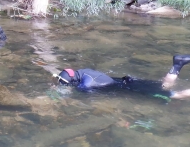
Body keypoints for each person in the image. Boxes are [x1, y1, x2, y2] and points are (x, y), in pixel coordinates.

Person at [52, 54, 190, 100]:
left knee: (172, 95)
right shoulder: (82, 72)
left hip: (129, 88)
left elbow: (80, 92)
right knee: (162, 85)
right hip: (127, 81)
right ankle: (177, 64)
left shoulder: (85, 84)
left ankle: (178, 64)